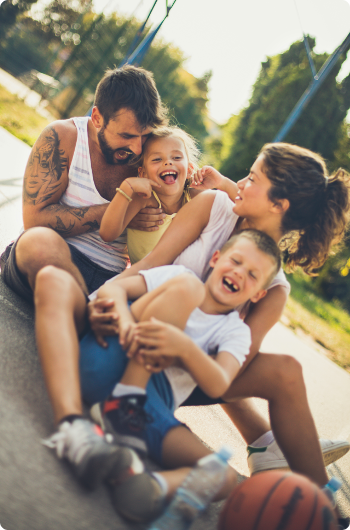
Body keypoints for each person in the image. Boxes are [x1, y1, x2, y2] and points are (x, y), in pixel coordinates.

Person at [82, 142, 350, 526]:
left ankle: (314, 500)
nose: (240, 182)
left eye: (252, 179)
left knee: (285, 370)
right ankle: (266, 448)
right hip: (145, 325)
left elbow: (232, 370)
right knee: (183, 292)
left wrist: (184, 347)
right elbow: (151, 265)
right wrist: (102, 301)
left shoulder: (273, 287)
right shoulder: (213, 206)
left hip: (189, 368)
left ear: (280, 205)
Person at [82, 229, 281, 461]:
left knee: (219, 474)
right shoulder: (181, 278)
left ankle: (144, 479)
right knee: (189, 287)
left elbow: (219, 384)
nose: (239, 273)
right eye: (235, 261)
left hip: (153, 403)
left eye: (252, 275)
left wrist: (185, 348)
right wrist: (125, 321)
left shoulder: (235, 332)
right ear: (215, 259)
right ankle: (124, 401)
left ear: (258, 295)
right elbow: (113, 288)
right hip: (109, 359)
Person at [0, 64, 168, 300]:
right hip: (48, 257)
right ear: (97, 118)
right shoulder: (63, 136)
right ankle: (89, 309)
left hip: (109, 278)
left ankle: (84, 307)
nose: (137, 148)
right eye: (126, 136)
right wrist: (121, 210)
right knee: (37, 241)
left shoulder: (152, 155)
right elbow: (35, 220)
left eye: (145, 135)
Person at [99, 126, 201, 264]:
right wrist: (126, 188)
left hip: (179, 279)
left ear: (190, 169)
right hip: (141, 278)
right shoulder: (143, 198)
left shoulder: (196, 199)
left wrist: (221, 183)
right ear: (143, 173)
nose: (168, 162)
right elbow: (107, 234)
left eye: (176, 157)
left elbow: (235, 214)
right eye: (157, 159)